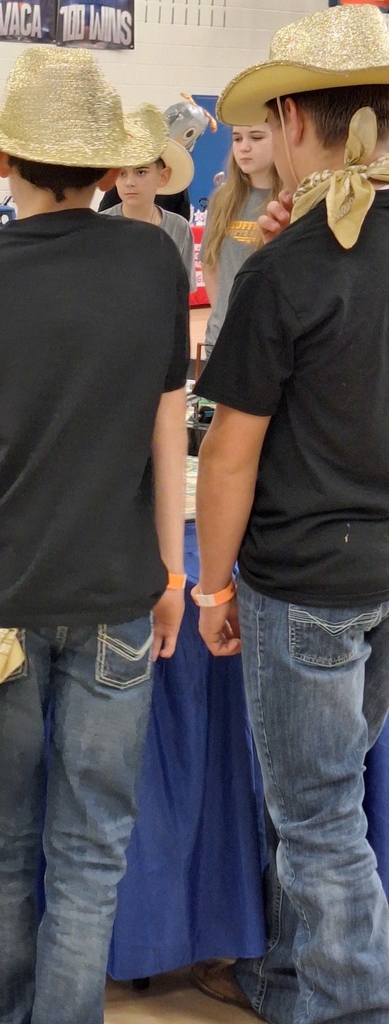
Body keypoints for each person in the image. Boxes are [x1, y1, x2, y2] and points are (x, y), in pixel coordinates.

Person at [0, 46, 188, 1024]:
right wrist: (174, 570)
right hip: (116, 588)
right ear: (111, 170)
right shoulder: (153, 258)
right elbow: (163, 423)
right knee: (92, 844)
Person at [193, 6, 389, 1022]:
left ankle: (351, 1007)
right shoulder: (291, 252)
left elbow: (229, 453)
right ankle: (284, 976)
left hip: (307, 572)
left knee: (317, 819)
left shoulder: (285, 267)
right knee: (327, 798)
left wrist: (211, 581)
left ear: (298, 116)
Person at [198, 122, 280, 359]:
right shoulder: (222, 199)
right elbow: (210, 263)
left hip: (269, 340)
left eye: (256, 137)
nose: (244, 147)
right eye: (237, 138)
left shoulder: (292, 200)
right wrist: (223, 314)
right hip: (222, 336)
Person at [99, 140, 196, 287]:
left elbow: (182, 289)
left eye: (141, 172)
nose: (129, 182)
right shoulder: (99, 226)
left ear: (163, 177)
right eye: (122, 173)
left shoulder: (179, 227)